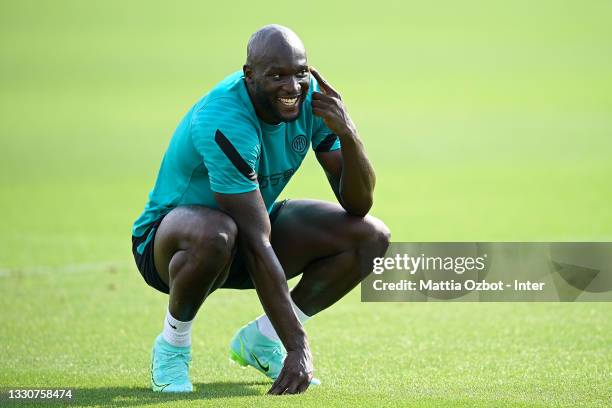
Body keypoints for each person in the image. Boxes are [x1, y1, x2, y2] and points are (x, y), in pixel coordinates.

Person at [131, 24, 390, 395]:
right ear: (249, 76)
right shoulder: (225, 119)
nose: (292, 86)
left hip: (247, 233)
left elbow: (358, 203)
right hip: (169, 245)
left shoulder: (311, 99)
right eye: (277, 76)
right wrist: (299, 346)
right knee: (217, 232)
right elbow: (256, 240)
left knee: (371, 237)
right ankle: (172, 346)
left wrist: (348, 133)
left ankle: (261, 340)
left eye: (300, 72)